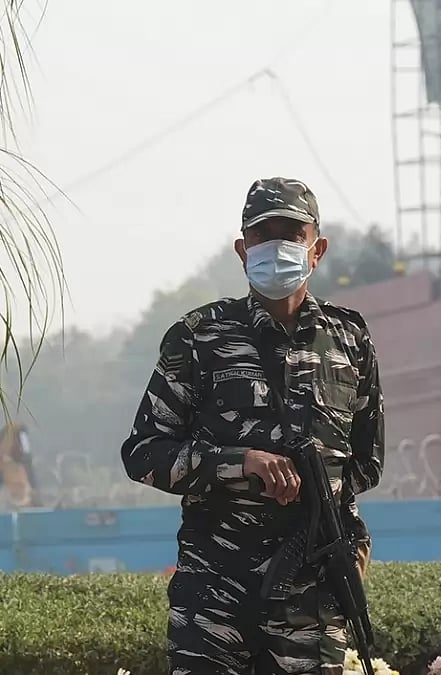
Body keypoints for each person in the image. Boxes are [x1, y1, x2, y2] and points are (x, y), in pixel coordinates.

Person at [121, 176, 385, 674]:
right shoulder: (198, 337)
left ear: (317, 248)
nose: (276, 247)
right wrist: (238, 463)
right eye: (264, 236)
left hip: (311, 602)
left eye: (292, 234)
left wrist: (352, 539)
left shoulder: (349, 339)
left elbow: (365, 465)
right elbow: (144, 453)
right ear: (243, 250)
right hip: (215, 598)